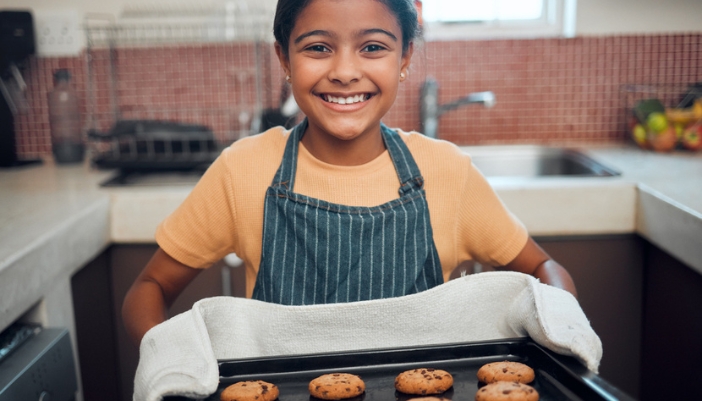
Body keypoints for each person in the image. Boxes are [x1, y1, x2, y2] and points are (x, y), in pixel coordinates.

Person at [122, 0, 577, 345]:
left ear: (404, 59)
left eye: (373, 47)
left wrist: (562, 330)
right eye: (318, 47)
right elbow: (149, 287)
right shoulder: (244, 171)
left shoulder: (446, 174)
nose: (344, 72)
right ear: (284, 59)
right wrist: (174, 357)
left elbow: (542, 268)